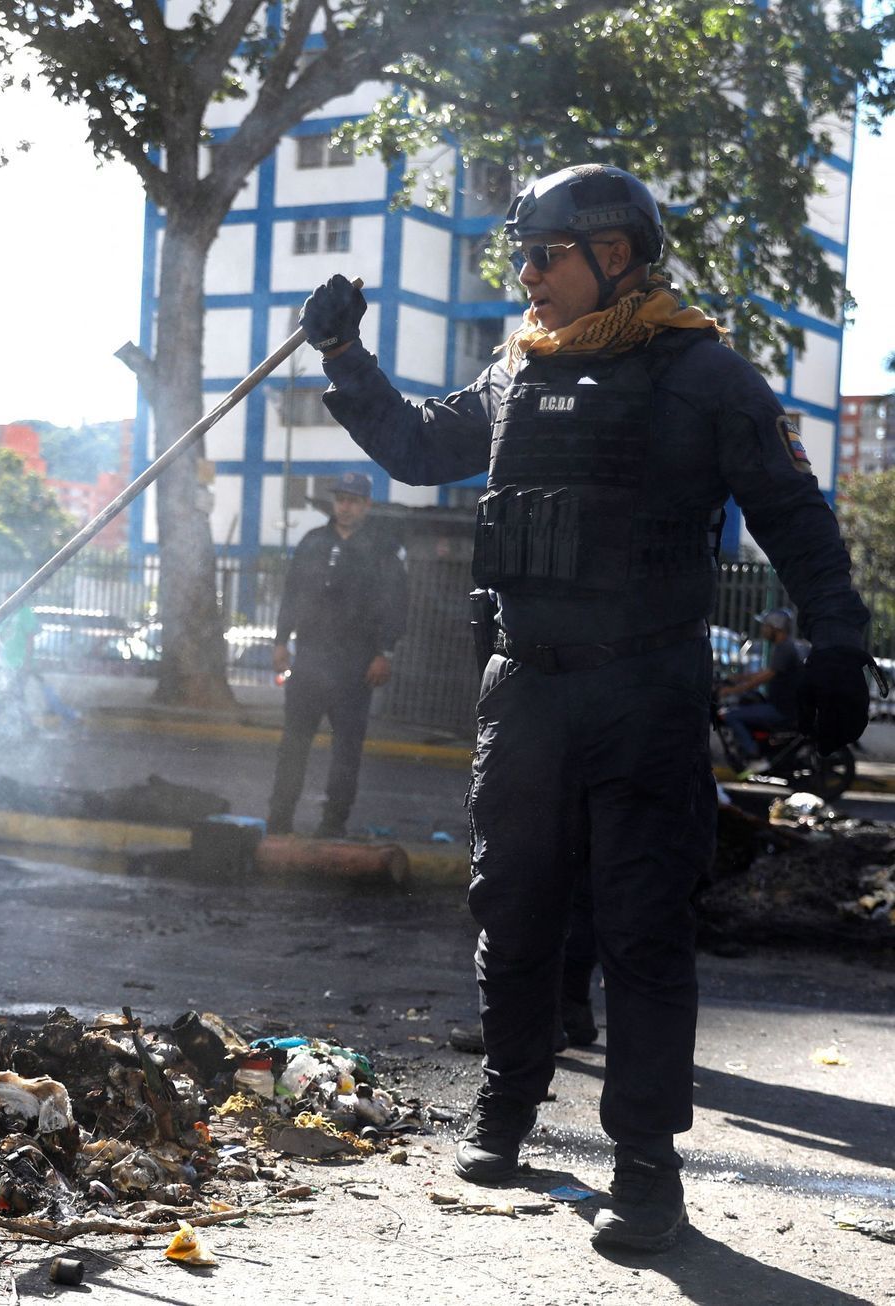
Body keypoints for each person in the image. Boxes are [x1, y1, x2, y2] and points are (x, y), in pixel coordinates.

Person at [298, 163, 871, 1253]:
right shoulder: (519, 368)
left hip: (644, 693)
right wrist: (343, 358)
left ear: (615, 253)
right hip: (524, 688)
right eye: (523, 254)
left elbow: (793, 514)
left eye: (545, 253)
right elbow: (421, 447)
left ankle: (647, 1170)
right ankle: (503, 1111)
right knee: (508, 907)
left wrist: (841, 641)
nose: (526, 274)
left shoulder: (702, 373)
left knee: (644, 929)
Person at [264, 471, 405, 838]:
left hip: (355, 665)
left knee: (347, 751)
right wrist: (281, 642)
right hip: (309, 660)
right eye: (341, 499)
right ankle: (278, 822)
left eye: (354, 500)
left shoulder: (382, 548)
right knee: (293, 744)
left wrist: (384, 652)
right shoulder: (312, 542)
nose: (346, 506)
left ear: (366, 505)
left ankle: (332, 824)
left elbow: (395, 605)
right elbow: (291, 594)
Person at [717, 607, 805, 770]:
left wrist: (734, 690)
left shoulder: (784, 649)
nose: (763, 630)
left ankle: (754, 757)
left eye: (766, 626)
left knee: (731, 716)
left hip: (781, 710)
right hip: (782, 706)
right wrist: (739, 678)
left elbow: (767, 676)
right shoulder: (783, 647)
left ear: (775, 628)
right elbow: (765, 672)